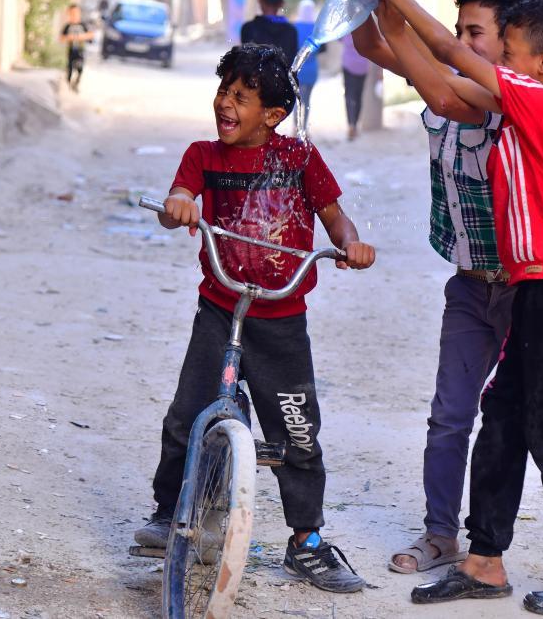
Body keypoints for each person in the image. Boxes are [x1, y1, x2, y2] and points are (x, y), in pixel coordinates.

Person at [354, 0, 543, 615]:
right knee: (501, 425)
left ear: (537, 65)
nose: (491, 56)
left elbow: (450, 52)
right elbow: (443, 84)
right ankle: (482, 562)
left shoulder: (540, 102)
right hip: (539, 286)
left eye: (505, 48)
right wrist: (385, 15)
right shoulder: (518, 101)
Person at [133, 43, 375, 594]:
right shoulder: (203, 155)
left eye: (241, 97)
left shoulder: (300, 160)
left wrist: (351, 244)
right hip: (220, 307)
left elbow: (335, 218)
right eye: (223, 91)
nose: (225, 103)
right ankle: (167, 509)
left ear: (273, 114)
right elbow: (180, 196)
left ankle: (307, 540)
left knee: (297, 431)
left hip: (282, 318)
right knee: (184, 416)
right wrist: (180, 207)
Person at [241, 0, 299, 65]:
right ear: (282, 4)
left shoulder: (248, 29)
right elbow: (291, 67)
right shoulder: (291, 32)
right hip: (282, 79)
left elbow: (245, 64)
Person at [292, 0, 320, 116]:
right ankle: (304, 127)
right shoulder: (316, 28)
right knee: (308, 99)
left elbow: (292, 47)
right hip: (312, 68)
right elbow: (320, 48)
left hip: (297, 68)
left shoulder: (294, 27)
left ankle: (296, 127)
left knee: (297, 99)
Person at [341, 33, 370, 140]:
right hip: (362, 66)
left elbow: (339, 38)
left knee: (349, 95)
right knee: (358, 96)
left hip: (348, 65)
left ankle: (351, 125)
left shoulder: (347, 28)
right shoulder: (365, 28)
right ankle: (355, 124)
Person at [60, 4, 94, 92]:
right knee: (70, 68)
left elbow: (91, 35)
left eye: (76, 13)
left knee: (80, 68)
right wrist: (69, 37)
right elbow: (62, 38)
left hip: (81, 50)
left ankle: (76, 84)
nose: (74, 15)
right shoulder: (68, 26)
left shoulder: (83, 25)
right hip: (71, 50)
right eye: (72, 13)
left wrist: (81, 37)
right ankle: (68, 86)